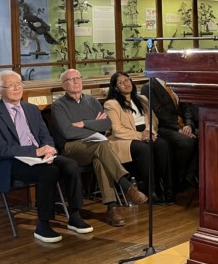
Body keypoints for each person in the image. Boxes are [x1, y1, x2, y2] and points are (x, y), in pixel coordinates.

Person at [0, 70, 92, 243]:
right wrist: (35, 152)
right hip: (12, 162)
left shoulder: (31, 109)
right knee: (48, 172)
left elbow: (45, 135)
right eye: (11, 85)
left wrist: (48, 148)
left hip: (39, 156)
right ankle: (43, 224)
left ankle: (74, 215)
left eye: (19, 84)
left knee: (71, 165)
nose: (16, 88)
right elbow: (0, 149)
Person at [52, 69, 148, 227]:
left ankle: (112, 208)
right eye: (71, 80)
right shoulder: (58, 106)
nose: (76, 82)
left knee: (100, 159)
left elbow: (106, 124)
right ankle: (126, 186)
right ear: (64, 85)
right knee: (102, 146)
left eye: (78, 78)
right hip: (71, 148)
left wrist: (84, 123)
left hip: (96, 145)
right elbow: (68, 132)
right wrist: (93, 125)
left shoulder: (92, 101)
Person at [104, 72, 175, 205]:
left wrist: (149, 131)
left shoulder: (143, 99)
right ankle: (150, 190)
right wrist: (140, 136)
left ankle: (167, 189)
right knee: (144, 148)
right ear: (115, 88)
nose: (126, 83)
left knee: (162, 145)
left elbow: (153, 120)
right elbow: (117, 130)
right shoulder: (111, 104)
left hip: (146, 133)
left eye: (127, 80)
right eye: (121, 82)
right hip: (125, 139)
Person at [141, 78, 199, 191]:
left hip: (183, 125)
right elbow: (159, 113)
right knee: (186, 142)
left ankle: (189, 176)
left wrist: (188, 125)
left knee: (204, 137)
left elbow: (186, 107)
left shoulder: (175, 82)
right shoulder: (148, 87)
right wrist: (179, 128)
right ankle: (176, 178)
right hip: (164, 127)